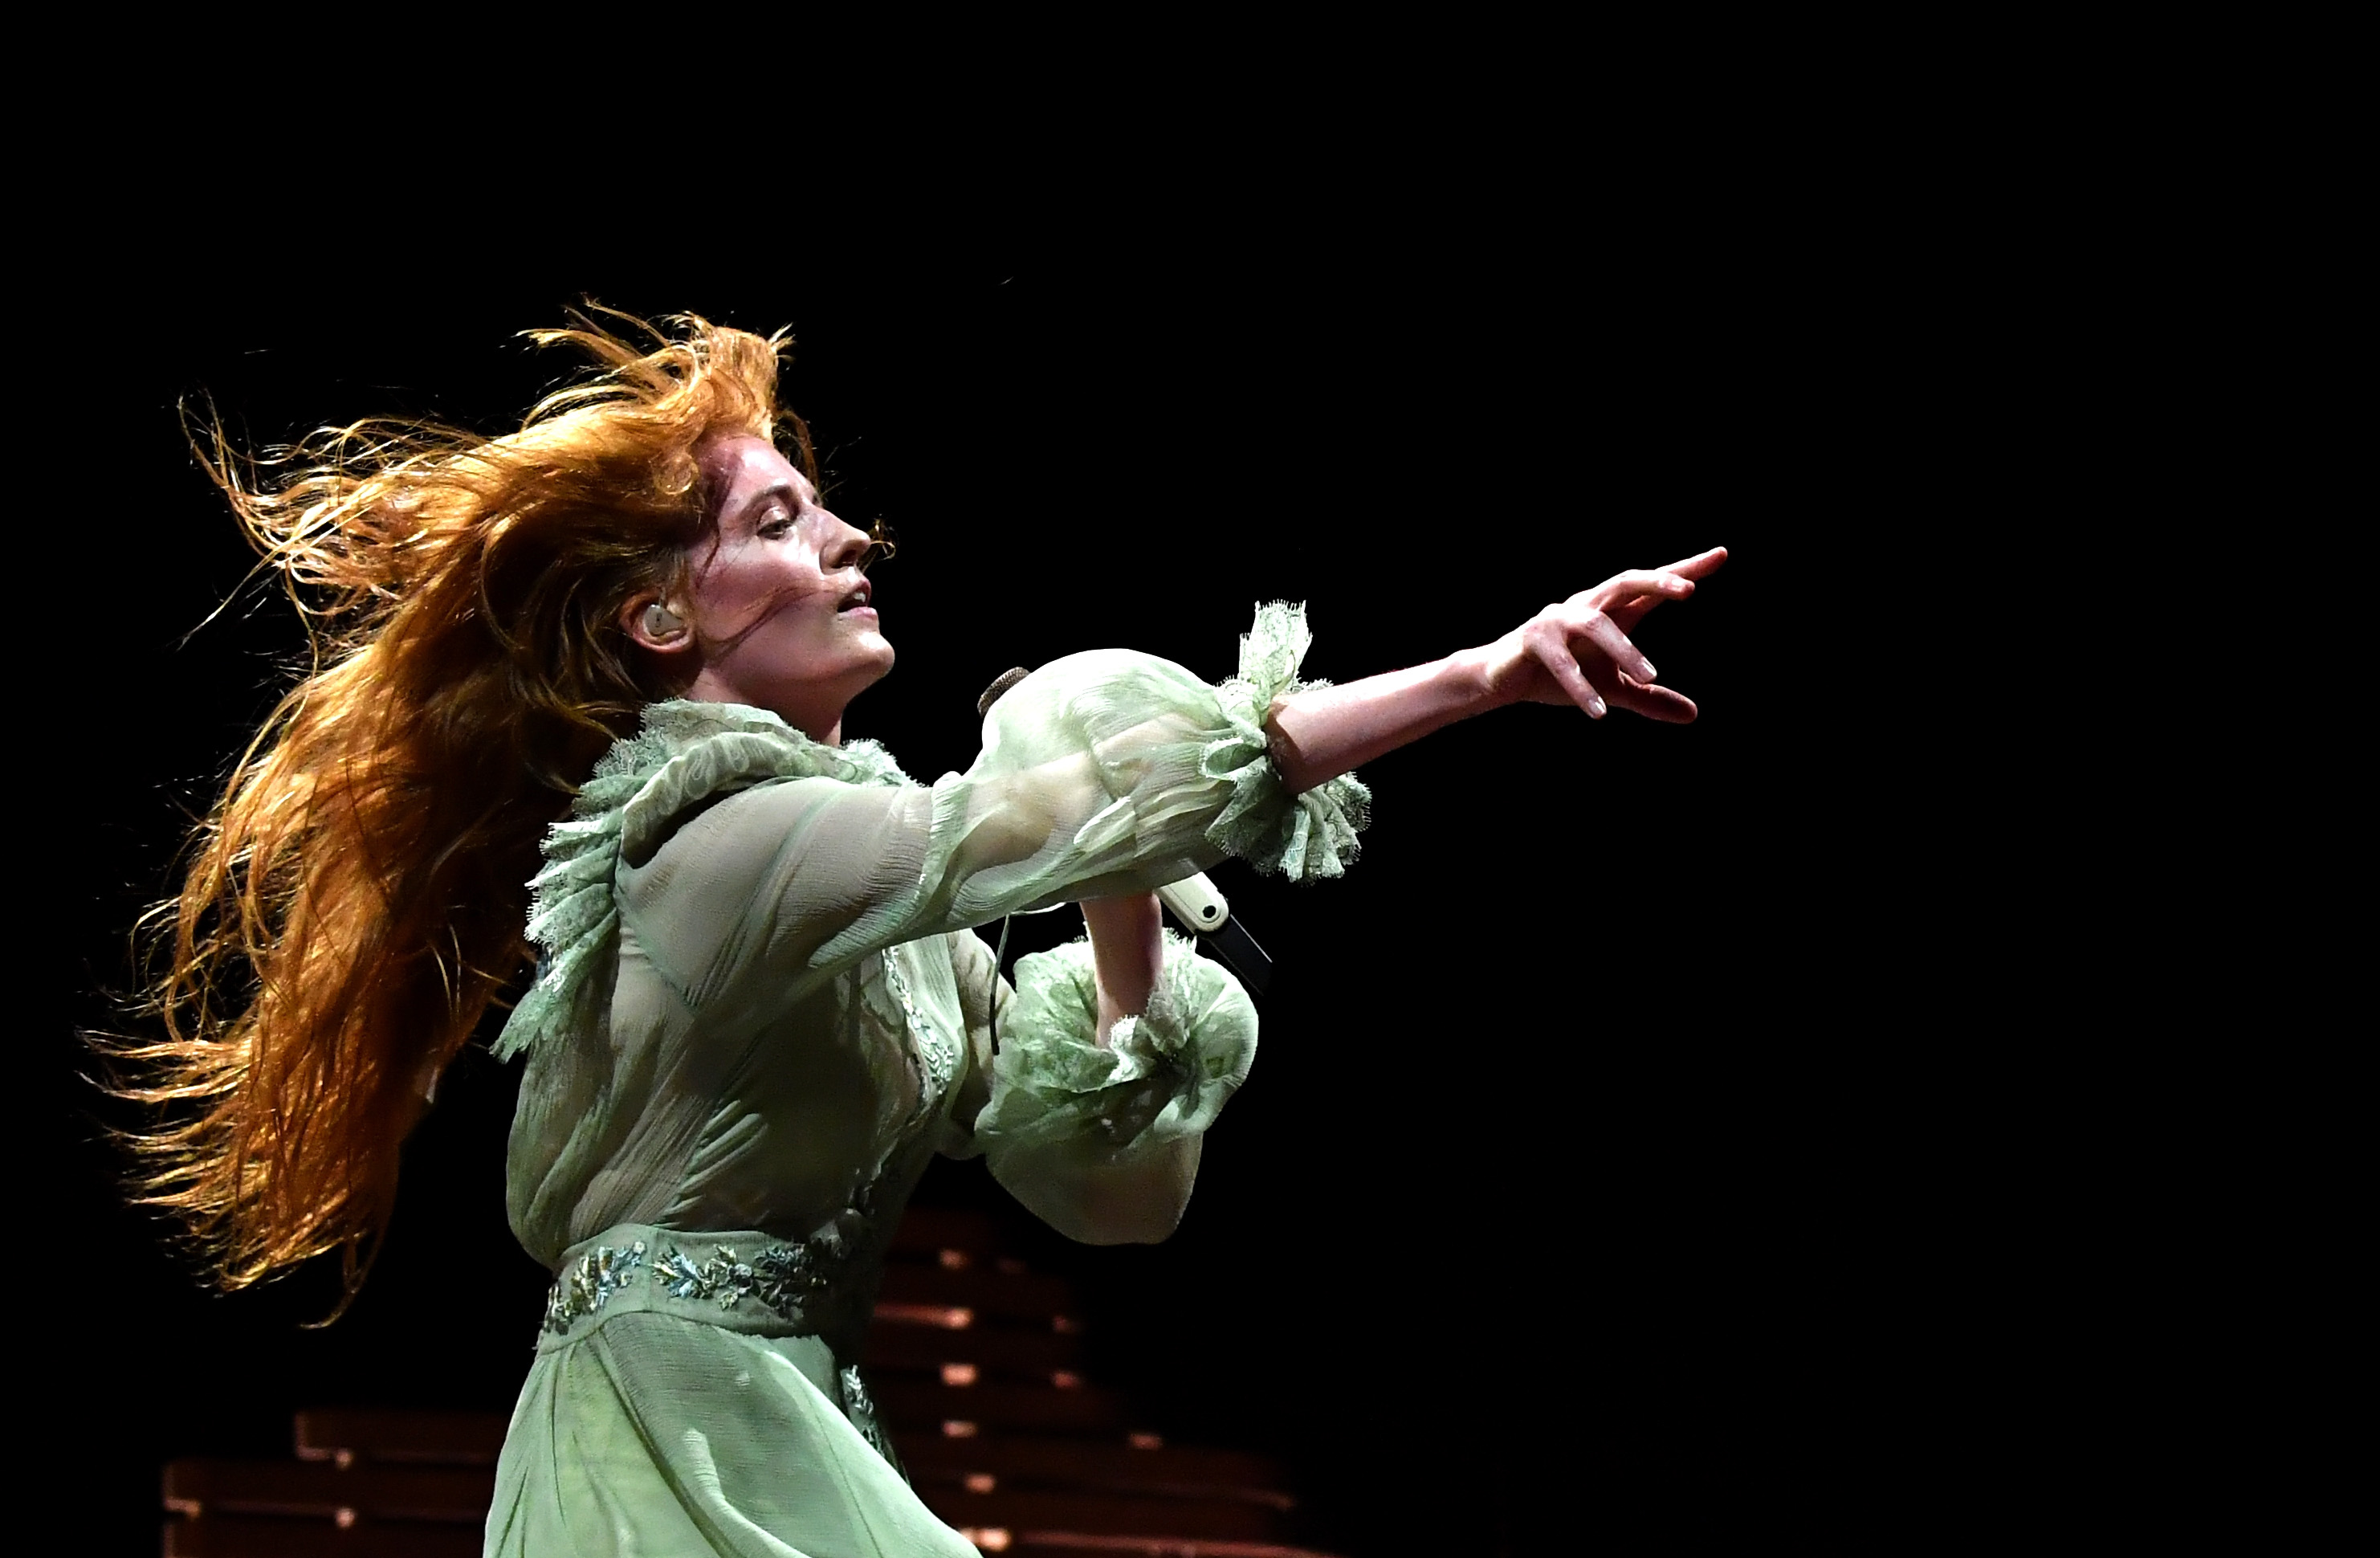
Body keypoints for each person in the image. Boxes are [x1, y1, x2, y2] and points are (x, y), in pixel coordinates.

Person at [120, 312, 1725, 1556]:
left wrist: (1114, 882)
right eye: (781, 520)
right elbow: (1024, 822)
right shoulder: (721, 842)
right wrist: (1481, 676)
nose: (848, 542)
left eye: (827, 512)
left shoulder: (881, 909)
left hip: (786, 1412)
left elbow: (1092, 1173)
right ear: (663, 617)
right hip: (664, 1435)